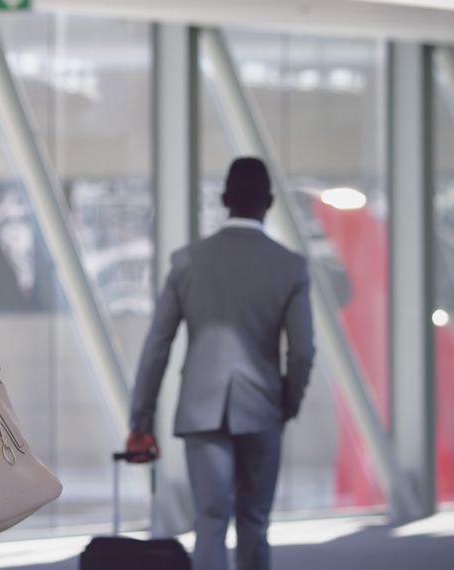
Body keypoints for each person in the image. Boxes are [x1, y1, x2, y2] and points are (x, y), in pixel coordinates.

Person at [126, 157, 315, 570]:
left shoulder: (188, 261)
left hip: (202, 409)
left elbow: (157, 345)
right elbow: (302, 350)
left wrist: (141, 420)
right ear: (269, 202)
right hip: (263, 408)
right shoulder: (290, 266)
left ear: (225, 199)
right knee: (254, 521)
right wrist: (288, 402)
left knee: (210, 521)